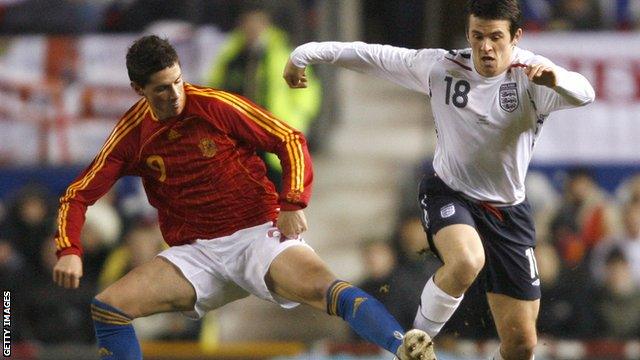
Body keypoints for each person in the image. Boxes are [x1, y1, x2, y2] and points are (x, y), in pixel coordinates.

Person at [51, 35, 432, 360]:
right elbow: (77, 195)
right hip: (195, 254)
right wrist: (69, 249)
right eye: (162, 89)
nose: (175, 94)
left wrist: (293, 202)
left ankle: (405, 347)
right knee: (109, 308)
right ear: (139, 90)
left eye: (178, 81)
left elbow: (289, 139)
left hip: (258, 236)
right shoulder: (132, 134)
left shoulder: (217, 105)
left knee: (326, 289)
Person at [283, 0, 595, 358]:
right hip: (450, 193)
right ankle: (414, 345)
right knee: (466, 260)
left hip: (508, 211)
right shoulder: (442, 67)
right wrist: (306, 52)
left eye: (496, 37)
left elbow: (585, 93)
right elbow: (375, 56)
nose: (486, 47)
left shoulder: (534, 76)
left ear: (516, 38)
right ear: (468, 34)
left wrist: (556, 80)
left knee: (522, 344)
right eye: (477, 36)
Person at [207, 5, 321, 190]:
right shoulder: (230, 56)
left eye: (257, 24)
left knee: (276, 193)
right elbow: (213, 89)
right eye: (248, 23)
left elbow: (307, 93)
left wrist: (296, 122)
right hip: (237, 140)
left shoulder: (281, 55)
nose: (252, 29)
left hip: (272, 136)